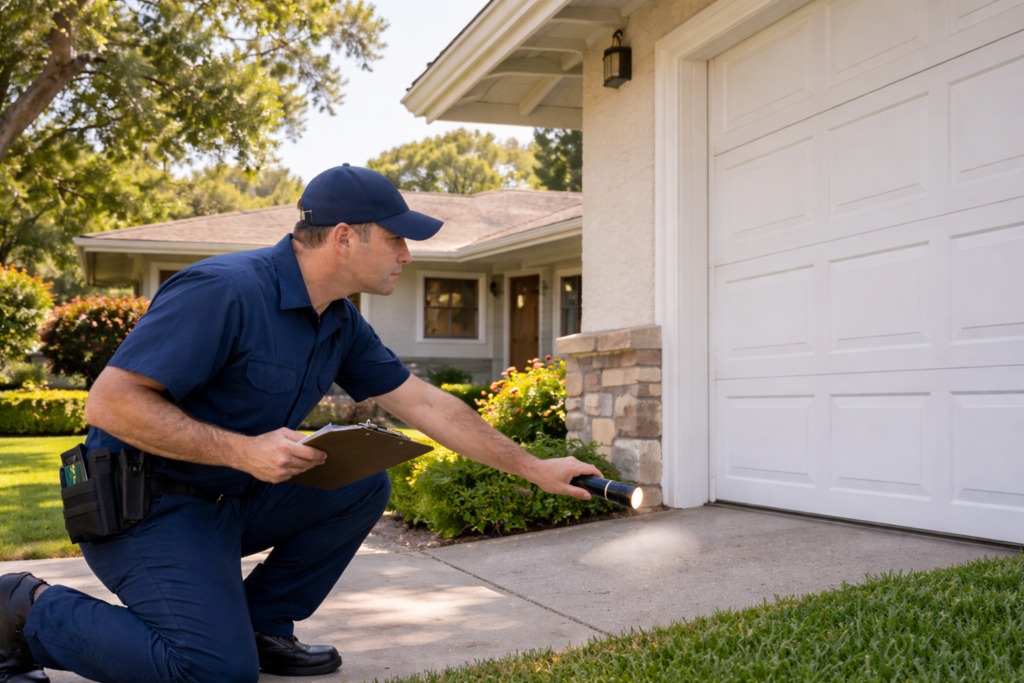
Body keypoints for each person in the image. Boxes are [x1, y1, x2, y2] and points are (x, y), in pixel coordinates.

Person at [0, 165, 601, 683]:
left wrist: (535, 468)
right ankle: (25, 610)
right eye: (395, 240)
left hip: (229, 501)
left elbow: (426, 405)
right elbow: (109, 404)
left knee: (361, 482)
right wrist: (243, 452)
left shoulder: (337, 321)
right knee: (210, 671)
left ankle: (261, 625)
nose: (406, 255)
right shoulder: (223, 291)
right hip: (145, 509)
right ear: (345, 237)